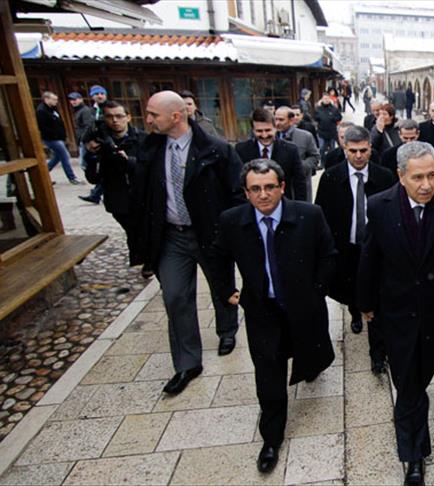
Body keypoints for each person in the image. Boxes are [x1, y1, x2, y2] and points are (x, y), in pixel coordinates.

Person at [358, 141, 434, 486]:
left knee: (424, 373)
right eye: (418, 177)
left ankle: (414, 405)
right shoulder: (379, 206)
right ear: (400, 176)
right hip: (397, 314)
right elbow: (370, 259)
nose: (426, 185)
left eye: (432, 176)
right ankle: (413, 456)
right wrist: (365, 304)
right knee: (408, 387)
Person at [213, 159, 336, 473]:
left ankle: (311, 366)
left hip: (303, 305)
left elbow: (328, 255)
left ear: (282, 187)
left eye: (270, 187)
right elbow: (218, 256)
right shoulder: (232, 221)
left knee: (311, 351)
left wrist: (317, 290)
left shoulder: (309, 215)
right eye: (255, 189)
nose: (263, 194)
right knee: (268, 371)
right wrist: (226, 290)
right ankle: (271, 437)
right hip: (261, 310)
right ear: (246, 192)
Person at [133, 91, 242, 395]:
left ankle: (227, 330)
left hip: (209, 233)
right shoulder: (151, 148)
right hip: (170, 236)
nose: (148, 119)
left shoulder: (216, 149)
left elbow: (236, 193)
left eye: (154, 114)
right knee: (175, 296)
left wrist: (231, 233)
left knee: (221, 286)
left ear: (176, 116)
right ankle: (187, 363)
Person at [315, 125, 394, 373]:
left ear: (370, 148)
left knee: (377, 299)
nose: (358, 156)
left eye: (363, 150)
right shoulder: (331, 177)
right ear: (344, 149)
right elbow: (321, 217)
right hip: (345, 248)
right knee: (350, 289)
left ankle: (378, 354)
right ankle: (356, 312)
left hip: (376, 249)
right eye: (353, 151)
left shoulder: (384, 177)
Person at [81, 100, 146, 262]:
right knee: (132, 229)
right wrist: (92, 156)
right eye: (110, 117)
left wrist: (128, 161)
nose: (115, 120)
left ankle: (142, 260)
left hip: (142, 196)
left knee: (141, 230)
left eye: (119, 116)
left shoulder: (142, 139)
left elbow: (149, 168)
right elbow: (93, 178)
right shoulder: (100, 143)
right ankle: (141, 260)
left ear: (128, 117)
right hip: (117, 198)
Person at [236, 108, 307, 201]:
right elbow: (239, 184)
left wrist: (299, 206)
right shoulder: (241, 150)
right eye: (259, 131)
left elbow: (299, 183)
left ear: (275, 128)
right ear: (253, 130)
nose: (264, 135)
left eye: (268, 130)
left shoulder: (290, 150)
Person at [275, 106, 320, 202]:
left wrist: (301, 167)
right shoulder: (270, 137)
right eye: (276, 119)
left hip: (298, 187)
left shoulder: (305, 136)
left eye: (281, 120)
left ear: (291, 121)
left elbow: (315, 156)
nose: (277, 123)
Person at [36, 91, 82, 184]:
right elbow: (43, 127)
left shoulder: (52, 108)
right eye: (54, 99)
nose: (56, 101)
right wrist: (56, 135)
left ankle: (42, 176)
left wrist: (63, 136)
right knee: (65, 156)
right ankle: (72, 177)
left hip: (58, 137)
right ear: (46, 99)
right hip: (52, 138)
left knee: (57, 157)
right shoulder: (41, 111)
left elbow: (59, 122)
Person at [79, 85, 109, 202]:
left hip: (108, 143)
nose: (99, 96)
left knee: (108, 171)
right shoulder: (90, 111)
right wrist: (86, 140)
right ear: (92, 97)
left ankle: (95, 194)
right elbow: (87, 127)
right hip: (95, 144)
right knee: (104, 172)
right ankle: (95, 194)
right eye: (96, 94)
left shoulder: (110, 108)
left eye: (102, 94)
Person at [68, 92, 94, 162]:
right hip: (81, 138)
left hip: (85, 139)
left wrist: (83, 138)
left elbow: (88, 125)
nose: (73, 102)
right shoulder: (78, 110)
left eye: (75, 99)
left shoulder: (85, 110)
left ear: (81, 99)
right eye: (71, 100)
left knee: (83, 161)